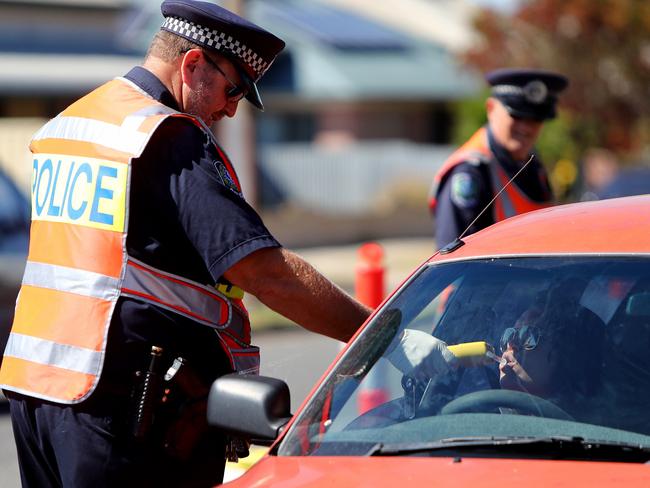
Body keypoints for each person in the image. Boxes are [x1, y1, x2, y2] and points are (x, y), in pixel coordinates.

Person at [0, 2, 454, 486]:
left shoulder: (75, 123)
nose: (231, 108)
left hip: (38, 391)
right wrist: (383, 337)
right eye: (232, 88)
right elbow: (266, 275)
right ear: (193, 64)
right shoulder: (167, 137)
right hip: (115, 409)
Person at [428, 68, 569, 249]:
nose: (527, 127)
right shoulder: (471, 171)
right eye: (517, 115)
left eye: (536, 118)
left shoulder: (533, 166)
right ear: (491, 109)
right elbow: (453, 264)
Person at [498, 278, 604, 416]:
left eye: (527, 337)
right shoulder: (482, 414)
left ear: (562, 354)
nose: (510, 347)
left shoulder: (596, 427)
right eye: (510, 335)